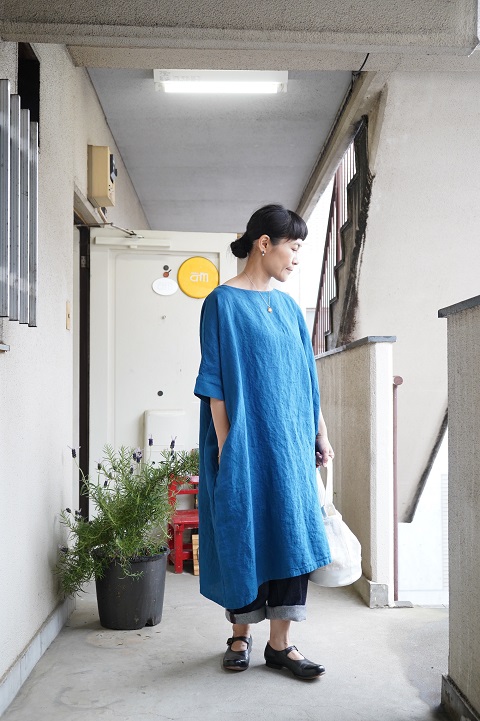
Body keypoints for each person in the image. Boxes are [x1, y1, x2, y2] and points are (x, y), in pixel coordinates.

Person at [194, 203, 334, 680]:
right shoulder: (222, 302)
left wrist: (320, 432)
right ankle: (240, 635)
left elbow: (306, 376)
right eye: (293, 247)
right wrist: (227, 446)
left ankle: (280, 644)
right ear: (264, 243)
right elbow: (214, 382)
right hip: (244, 443)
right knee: (244, 530)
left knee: (290, 532)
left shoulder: (290, 308)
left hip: (290, 443)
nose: (296, 258)